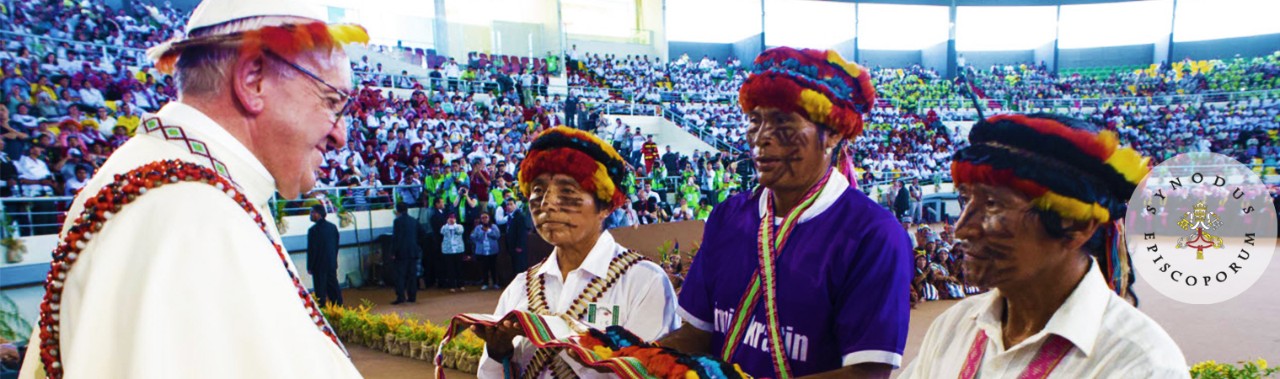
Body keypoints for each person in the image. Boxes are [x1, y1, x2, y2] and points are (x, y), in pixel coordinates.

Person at [18, 0, 369, 376]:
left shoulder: (185, 185)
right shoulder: (195, 216)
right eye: (332, 102)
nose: (341, 135)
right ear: (253, 80)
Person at [658, 47, 912, 378]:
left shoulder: (873, 235)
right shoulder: (727, 218)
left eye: (782, 121)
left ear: (833, 132)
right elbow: (697, 334)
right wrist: (626, 364)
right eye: (755, 120)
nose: (761, 138)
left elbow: (866, 373)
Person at [900, 114, 1188, 378]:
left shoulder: (1142, 364)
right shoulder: (953, 327)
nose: (963, 228)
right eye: (965, 200)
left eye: (992, 204)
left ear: (1075, 225)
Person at [471, 127, 679, 377]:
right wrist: (500, 355)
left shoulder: (643, 282)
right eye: (537, 191)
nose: (546, 203)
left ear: (604, 206)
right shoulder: (521, 287)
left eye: (567, 192)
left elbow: (651, 372)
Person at [307, 204, 343, 306]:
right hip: (331, 262)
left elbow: (312, 250)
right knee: (333, 286)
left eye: (312, 212)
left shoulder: (313, 230)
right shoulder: (332, 227)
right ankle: (338, 307)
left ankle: (322, 309)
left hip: (318, 265)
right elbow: (336, 245)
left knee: (320, 289)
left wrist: (310, 266)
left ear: (317, 214)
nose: (310, 215)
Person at [390, 202, 422, 304]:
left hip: (401, 252)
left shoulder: (397, 221)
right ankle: (412, 296)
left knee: (400, 275)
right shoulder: (414, 221)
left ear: (397, 210)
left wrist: (393, 252)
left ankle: (401, 297)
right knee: (412, 275)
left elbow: (396, 238)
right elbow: (423, 233)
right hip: (413, 251)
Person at [471, 212, 502, 290]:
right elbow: (473, 237)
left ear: (489, 218)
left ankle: (495, 283)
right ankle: (485, 283)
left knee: (493, 268)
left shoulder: (494, 226)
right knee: (484, 268)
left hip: (492, 251)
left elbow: (497, 236)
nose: (484, 219)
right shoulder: (478, 228)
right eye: (482, 218)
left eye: (486, 217)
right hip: (482, 251)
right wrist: (481, 232)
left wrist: (489, 231)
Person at [440, 213, 467, 292]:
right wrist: (448, 225)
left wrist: (454, 225)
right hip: (448, 250)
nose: (452, 219)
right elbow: (443, 232)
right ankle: (452, 285)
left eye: (453, 218)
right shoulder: (444, 227)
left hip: (458, 249)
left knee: (459, 267)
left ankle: (461, 284)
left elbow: (459, 232)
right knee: (450, 268)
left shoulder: (459, 226)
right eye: (450, 218)